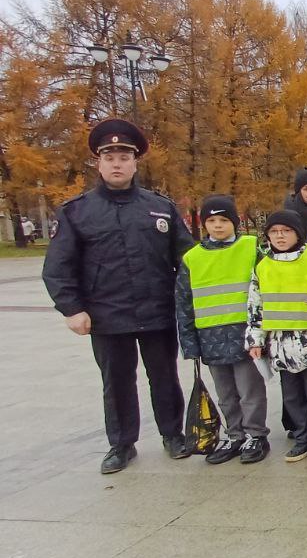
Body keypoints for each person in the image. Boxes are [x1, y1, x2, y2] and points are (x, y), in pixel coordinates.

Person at [43, 118, 196, 474]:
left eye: (124, 157)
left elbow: (188, 258)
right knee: (116, 382)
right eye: (109, 157)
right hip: (107, 315)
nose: (117, 164)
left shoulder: (160, 207)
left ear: (135, 163)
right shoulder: (77, 211)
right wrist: (72, 308)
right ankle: (122, 443)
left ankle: (173, 434)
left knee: (165, 376)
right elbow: (58, 266)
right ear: (98, 163)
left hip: (157, 310)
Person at [176, 195, 269, 464]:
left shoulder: (250, 248)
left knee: (250, 391)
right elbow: (184, 303)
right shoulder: (192, 258)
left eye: (224, 220)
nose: (218, 226)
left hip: (245, 335)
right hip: (210, 338)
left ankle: (255, 434)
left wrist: (263, 332)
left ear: (234, 223)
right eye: (212, 221)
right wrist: (189, 343)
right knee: (226, 394)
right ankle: (234, 434)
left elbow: (266, 288)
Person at [247, 210, 307, 463]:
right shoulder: (263, 265)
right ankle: (302, 436)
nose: (280, 236)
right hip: (280, 344)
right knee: (292, 396)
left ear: (298, 233)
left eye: (286, 231)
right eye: (274, 232)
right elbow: (255, 305)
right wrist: (255, 340)